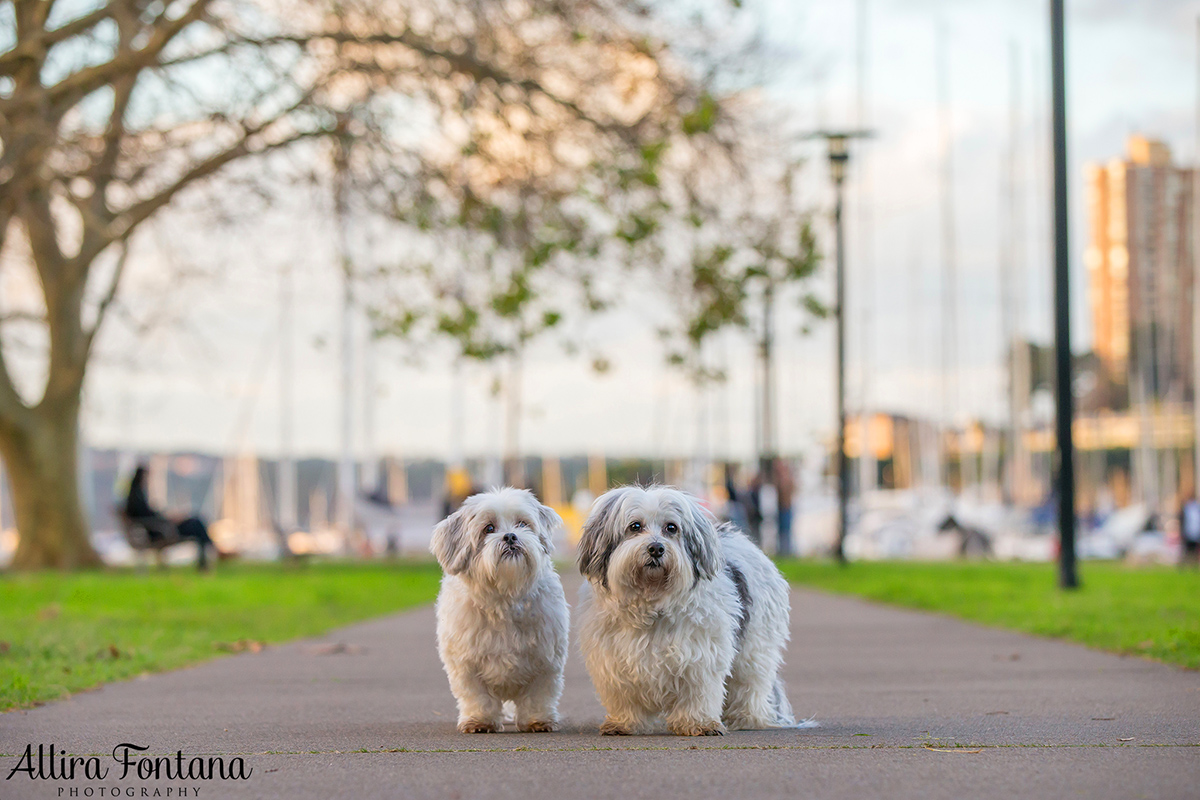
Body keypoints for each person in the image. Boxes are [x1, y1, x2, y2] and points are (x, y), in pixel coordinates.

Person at [125, 464, 225, 570]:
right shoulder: (136, 498)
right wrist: (168, 519)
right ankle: (212, 551)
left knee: (196, 521)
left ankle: (210, 553)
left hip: (160, 527)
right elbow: (148, 516)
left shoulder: (136, 496)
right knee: (196, 524)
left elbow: (150, 514)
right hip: (159, 530)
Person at [774, 458, 795, 558]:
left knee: (785, 531)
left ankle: (786, 552)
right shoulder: (783, 479)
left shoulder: (785, 479)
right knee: (783, 531)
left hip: (785, 509)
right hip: (783, 509)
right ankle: (784, 551)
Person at [1178, 494, 1200, 568]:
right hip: (1188, 533)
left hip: (1195, 533)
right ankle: (1183, 565)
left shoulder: (1197, 509)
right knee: (1186, 550)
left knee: (1194, 550)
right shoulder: (1186, 509)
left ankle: (1193, 565)